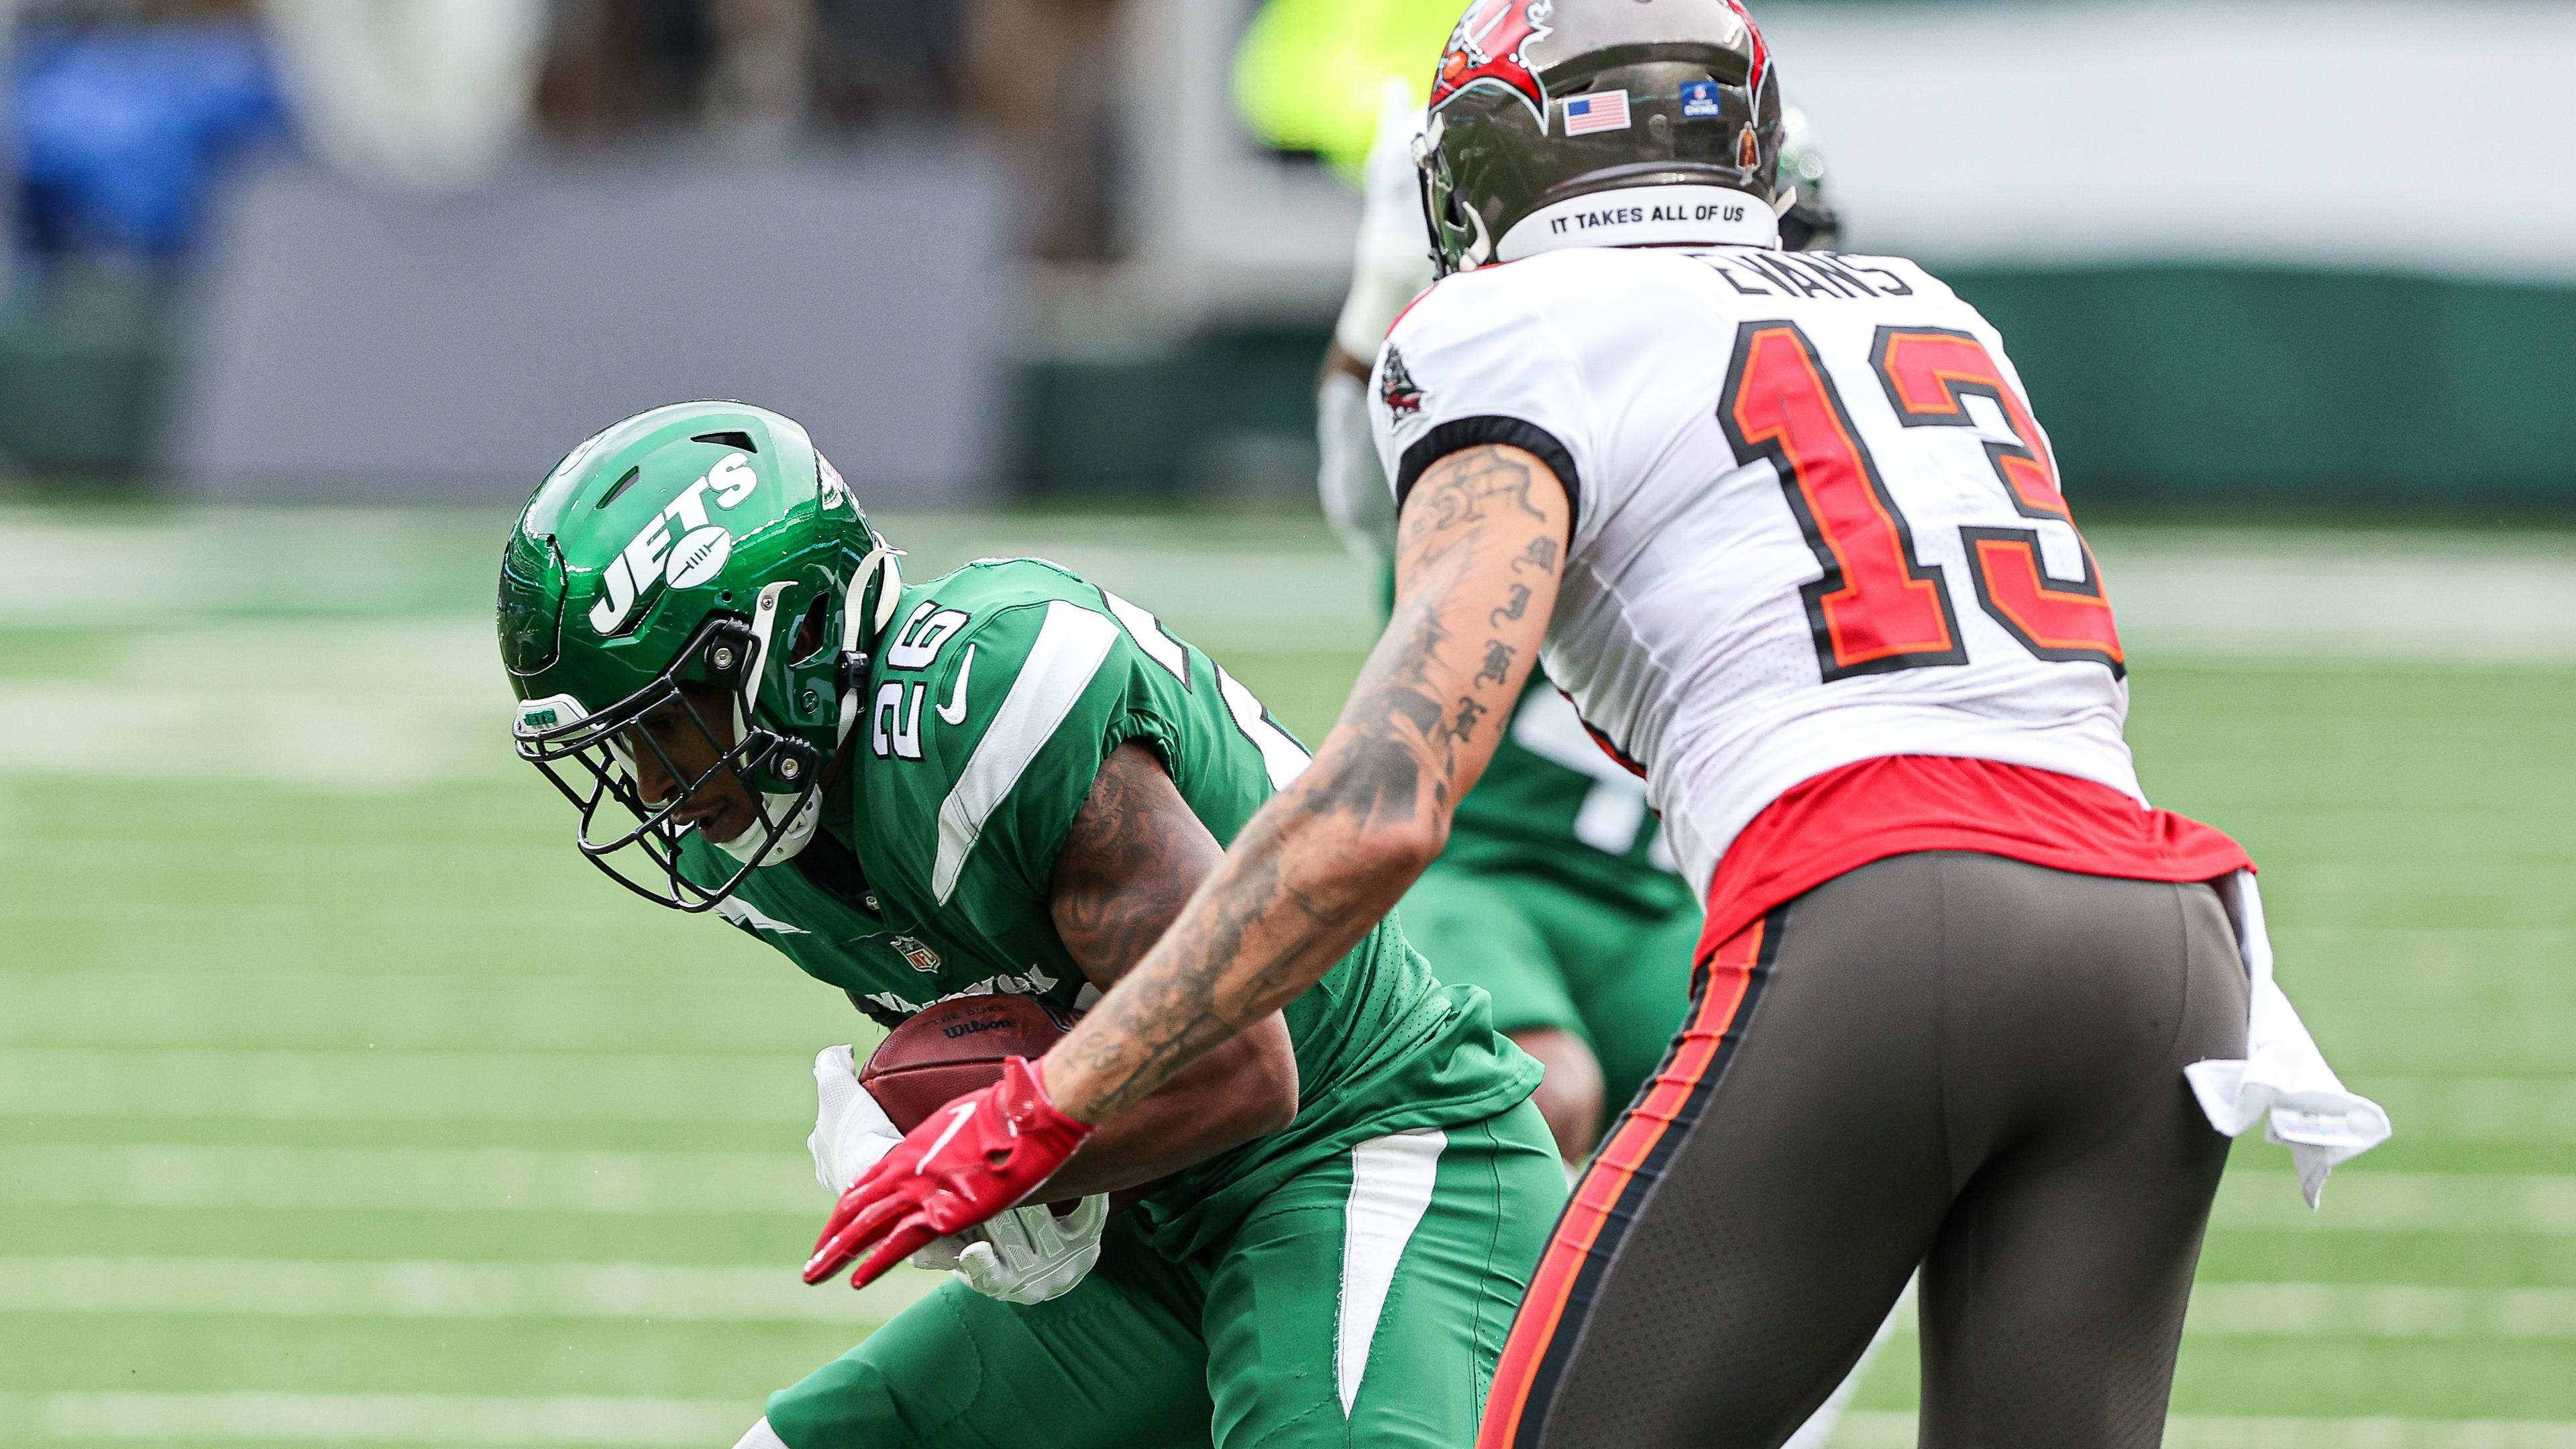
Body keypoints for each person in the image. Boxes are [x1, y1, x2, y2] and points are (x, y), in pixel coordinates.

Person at [804, 3, 2392, 1447]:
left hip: (1886, 918)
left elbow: (1385, 804)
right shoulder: (1927, 311)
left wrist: (1061, 1093)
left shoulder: (1512, 323)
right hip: (2170, 951)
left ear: (1485, 165)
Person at [497, 400, 1562, 1449]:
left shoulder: (989, 694)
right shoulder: (741, 840)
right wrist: (931, 1135)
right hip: (1156, 1228)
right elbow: (1026, 1017)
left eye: (673, 722)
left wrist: (991, 1166)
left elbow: (1242, 1070)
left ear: (797, 640)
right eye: (620, 741)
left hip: (1363, 1147)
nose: (652, 786)